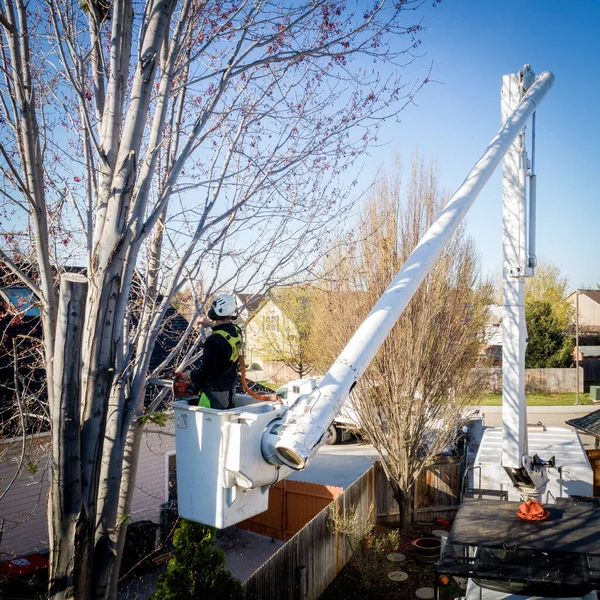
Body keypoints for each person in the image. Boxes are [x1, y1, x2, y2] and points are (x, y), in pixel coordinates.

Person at [187, 294, 243, 410]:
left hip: (213, 394)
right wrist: (209, 324)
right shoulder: (237, 331)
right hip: (230, 391)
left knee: (210, 426)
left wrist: (189, 375)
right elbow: (224, 330)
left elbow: (206, 373)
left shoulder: (212, 341)